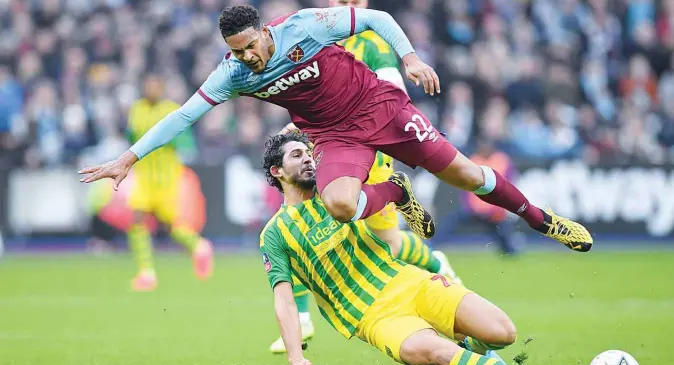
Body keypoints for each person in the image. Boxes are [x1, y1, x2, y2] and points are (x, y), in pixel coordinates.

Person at [79, 4, 593, 253]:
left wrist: (409, 57)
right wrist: (128, 158)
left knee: (465, 176)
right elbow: (184, 114)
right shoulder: (233, 73)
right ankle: (396, 191)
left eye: (250, 46)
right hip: (335, 137)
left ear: (263, 31)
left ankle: (539, 218)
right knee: (340, 205)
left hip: (382, 107)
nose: (248, 57)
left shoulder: (303, 25)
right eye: (237, 52)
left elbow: (377, 18)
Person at [259, 132, 577, 365]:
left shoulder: (338, 192)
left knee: (502, 333)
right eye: (296, 156)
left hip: (408, 282)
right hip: (372, 317)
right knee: (436, 352)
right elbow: (284, 301)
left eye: (307, 152)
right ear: (278, 171)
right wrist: (295, 356)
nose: (307, 159)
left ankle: (473, 346)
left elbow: (349, 147)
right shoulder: (275, 233)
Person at [268, 0, 460, 354]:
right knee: (296, 226)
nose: (348, 7)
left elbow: (393, 96)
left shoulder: (371, 43)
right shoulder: (314, 42)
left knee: (387, 241)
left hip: (367, 153)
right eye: (342, 2)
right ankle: (303, 318)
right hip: (329, 153)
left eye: (355, 2)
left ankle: (436, 263)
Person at [124, 74, 213, 291]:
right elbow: (130, 138)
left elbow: (186, 143)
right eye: (148, 86)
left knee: (174, 228)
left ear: (161, 88)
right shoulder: (136, 110)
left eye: (156, 86)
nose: (152, 90)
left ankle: (199, 246)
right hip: (144, 178)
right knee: (136, 220)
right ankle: (146, 273)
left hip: (166, 180)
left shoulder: (172, 110)